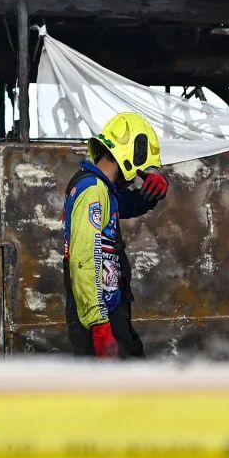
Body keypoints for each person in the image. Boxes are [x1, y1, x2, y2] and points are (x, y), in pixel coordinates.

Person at [62, 112, 169, 359]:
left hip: (110, 312)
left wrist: (152, 194)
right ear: (131, 155)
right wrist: (99, 324)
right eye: (139, 167)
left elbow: (128, 204)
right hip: (101, 319)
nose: (136, 175)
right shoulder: (92, 190)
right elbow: (83, 259)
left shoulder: (101, 188)